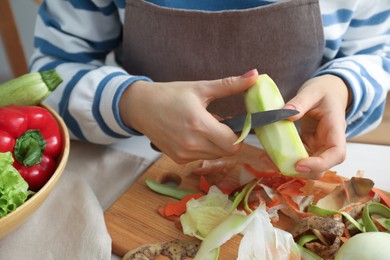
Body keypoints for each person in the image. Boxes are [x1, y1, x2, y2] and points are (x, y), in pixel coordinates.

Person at [30, 0, 389, 179]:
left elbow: (377, 53)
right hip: (140, 160)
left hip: (314, 162)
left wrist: (345, 88)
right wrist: (130, 102)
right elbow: (50, 76)